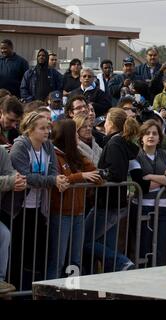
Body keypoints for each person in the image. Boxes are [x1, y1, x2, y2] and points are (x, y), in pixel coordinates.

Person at [8, 112, 69, 289]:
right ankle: (17, 289)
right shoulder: (20, 147)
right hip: (19, 208)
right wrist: (52, 181)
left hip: (40, 207)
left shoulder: (48, 146)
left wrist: (58, 180)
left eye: (48, 127)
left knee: (38, 253)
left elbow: (53, 171)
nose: (47, 132)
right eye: (42, 128)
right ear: (29, 130)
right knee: (18, 253)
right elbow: (25, 176)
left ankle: (34, 289)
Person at [83, 107, 140, 272]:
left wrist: (97, 172)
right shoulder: (120, 141)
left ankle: (121, 261)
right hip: (115, 201)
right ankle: (110, 280)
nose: (104, 124)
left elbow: (115, 173)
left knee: (83, 240)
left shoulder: (115, 142)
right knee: (106, 243)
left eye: (107, 120)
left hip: (108, 202)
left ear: (113, 124)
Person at [47, 119, 101, 280]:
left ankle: (73, 293)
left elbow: (96, 175)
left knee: (75, 260)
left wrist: (85, 172)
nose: (78, 138)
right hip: (60, 214)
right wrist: (81, 176)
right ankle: (51, 296)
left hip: (78, 213)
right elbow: (59, 179)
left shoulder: (75, 155)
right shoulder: (54, 155)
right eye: (74, 134)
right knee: (58, 260)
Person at [129, 120, 166, 266]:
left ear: (159, 138)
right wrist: (163, 179)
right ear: (141, 137)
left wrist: (150, 177)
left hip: (164, 207)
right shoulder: (135, 156)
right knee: (144, 245)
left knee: (162, 247)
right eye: (147, 133)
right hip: (143, 207)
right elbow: (141, 185)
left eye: (154, 133)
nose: (151, 136)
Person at [0, 146, 27, 294]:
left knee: (4, 234)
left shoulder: (1, 152)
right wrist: (10, 181)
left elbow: (10, 173)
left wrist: (18, 179)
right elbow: (8, 179)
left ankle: (0, 279)